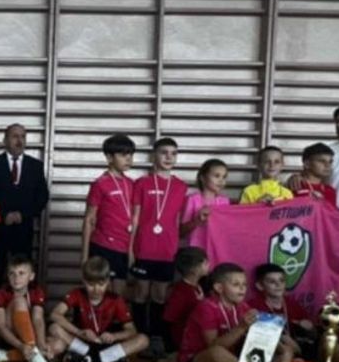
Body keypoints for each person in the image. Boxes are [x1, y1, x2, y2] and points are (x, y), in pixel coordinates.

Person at [175, 262, 305, 362]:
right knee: (217, 352)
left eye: (244, 284)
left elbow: (260, 341)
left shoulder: (243, 307)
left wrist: (277, 343)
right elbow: (213, 345)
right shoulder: (206, 307)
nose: (242, 289)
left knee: (285, 350)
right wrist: (242, 327)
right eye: (236, 285)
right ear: (219, 288)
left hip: (233, 360)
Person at [46, 255, 149, 362]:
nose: (96, 289)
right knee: (54, 328)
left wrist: (114, 336)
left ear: (108, 281)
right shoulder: (77, 294)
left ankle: (93, 359)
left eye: (101, 284)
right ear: (84, 281)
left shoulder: (115, 299)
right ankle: (107, 359)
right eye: (91, 285)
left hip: (105, 344)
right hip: (81, 341)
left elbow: (131, 330)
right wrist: (79, 332)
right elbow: (55, 314)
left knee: (143, 340)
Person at [129, 138, 185, 341]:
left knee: (160, 295)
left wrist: (176, 247)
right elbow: (135, 218)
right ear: (154, 155)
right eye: (164, 152)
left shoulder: (180, 186)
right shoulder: (142, 183)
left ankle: (155, 337)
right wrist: (130, 250)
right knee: (140, 293)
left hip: (166, 250)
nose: (169, 157)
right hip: (144, 247)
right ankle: (138, 335)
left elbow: (177, 220)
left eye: (173, 153)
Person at [0, 124, 49, 288]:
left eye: (23, 137)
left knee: (23, 271)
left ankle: (23, 302)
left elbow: (42, 197)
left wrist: (22, 215)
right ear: (5, 140)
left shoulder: (35, 166)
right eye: (15, 136)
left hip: (24, 229)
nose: (19, 140)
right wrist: (3, 215)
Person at [82, 134, 136, 295]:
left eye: (130, 154)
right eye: (123, 154)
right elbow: (89, 220)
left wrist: (132, 250)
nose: (128, 158)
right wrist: (84, 257)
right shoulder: (100, 184)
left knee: (119, 294)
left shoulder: (131, 184)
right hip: (103, 246)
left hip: (124, 246)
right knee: (102, 293)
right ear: (109, 157)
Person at [0, 254, 51, 362]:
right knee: (19, 301)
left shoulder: (37, 292)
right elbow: (1, 327)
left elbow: (38, 319)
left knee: (55, 346)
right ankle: (34, 353)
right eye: (12, 274)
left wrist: (42, 344)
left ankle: (4, 356)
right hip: (9, 339)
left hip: (28, 337)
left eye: (21, 273)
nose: (16, 278)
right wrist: (22, 346)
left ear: (31, 276)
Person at [250, 262, 316, 362]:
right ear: (260, 286)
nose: (278, 285)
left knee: (328, 341)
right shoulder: (253, 306)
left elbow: (313, 334)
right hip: (273, 353)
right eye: (272, 281)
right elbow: (257, 338)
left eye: (282, 280)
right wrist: (283, 340)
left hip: (299, 349)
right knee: (284, 346)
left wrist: (310, 328)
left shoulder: (293, 304)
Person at [161, 246, 211, 359]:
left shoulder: (201, 286)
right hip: (184, 341)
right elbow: (167, 321)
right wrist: (171, 350)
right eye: (205, 263)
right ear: (194, 269)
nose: (209, 265)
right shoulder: (180, 292)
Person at [179, 158, 229, 239]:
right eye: (217, 176)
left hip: (215, 245)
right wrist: (197, 221)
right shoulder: (192, 199)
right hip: (194, 246)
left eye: (224, 177)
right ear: (203, 178)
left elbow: (226, 228)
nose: (221, 181)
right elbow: (182, 231)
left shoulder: (224, 201)